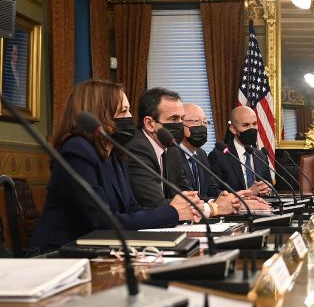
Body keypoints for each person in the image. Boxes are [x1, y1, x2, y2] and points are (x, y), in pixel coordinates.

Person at [29, 80, 200, 253]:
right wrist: (171, 212)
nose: (130, 117)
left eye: (129, 110)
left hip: (100, 249)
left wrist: (174, 212)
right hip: (61, 254)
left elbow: (131, 208)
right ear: (99, 114)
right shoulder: (77, 150)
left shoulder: (116, 154)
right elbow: (102, 221)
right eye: (123, 111)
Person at [181, 103, 270, 213]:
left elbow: (211, 190)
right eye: (196, 121)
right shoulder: (172, 156)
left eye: (205, 122)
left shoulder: (201, 154)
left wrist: (242, 199)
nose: (202, 126)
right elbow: (187, 197)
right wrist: (242, 199)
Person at [125, 87, 193, 208]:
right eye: (174, 118)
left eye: (182, 119)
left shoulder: (173, 149)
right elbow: (155, 204)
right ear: (149, 124)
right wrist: (211, 209)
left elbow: (186, 194)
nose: (180, 124)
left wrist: (213, 203)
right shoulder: (136, 148)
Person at [208, 106, 271, 196]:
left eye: (254, 124)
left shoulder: (261, 156)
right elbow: (213, 192)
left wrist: (267, 190)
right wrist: (247, 194)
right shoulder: (218, 156)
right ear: (233, 129)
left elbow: (270, 187)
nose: (252, 128)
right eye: (246, 125)